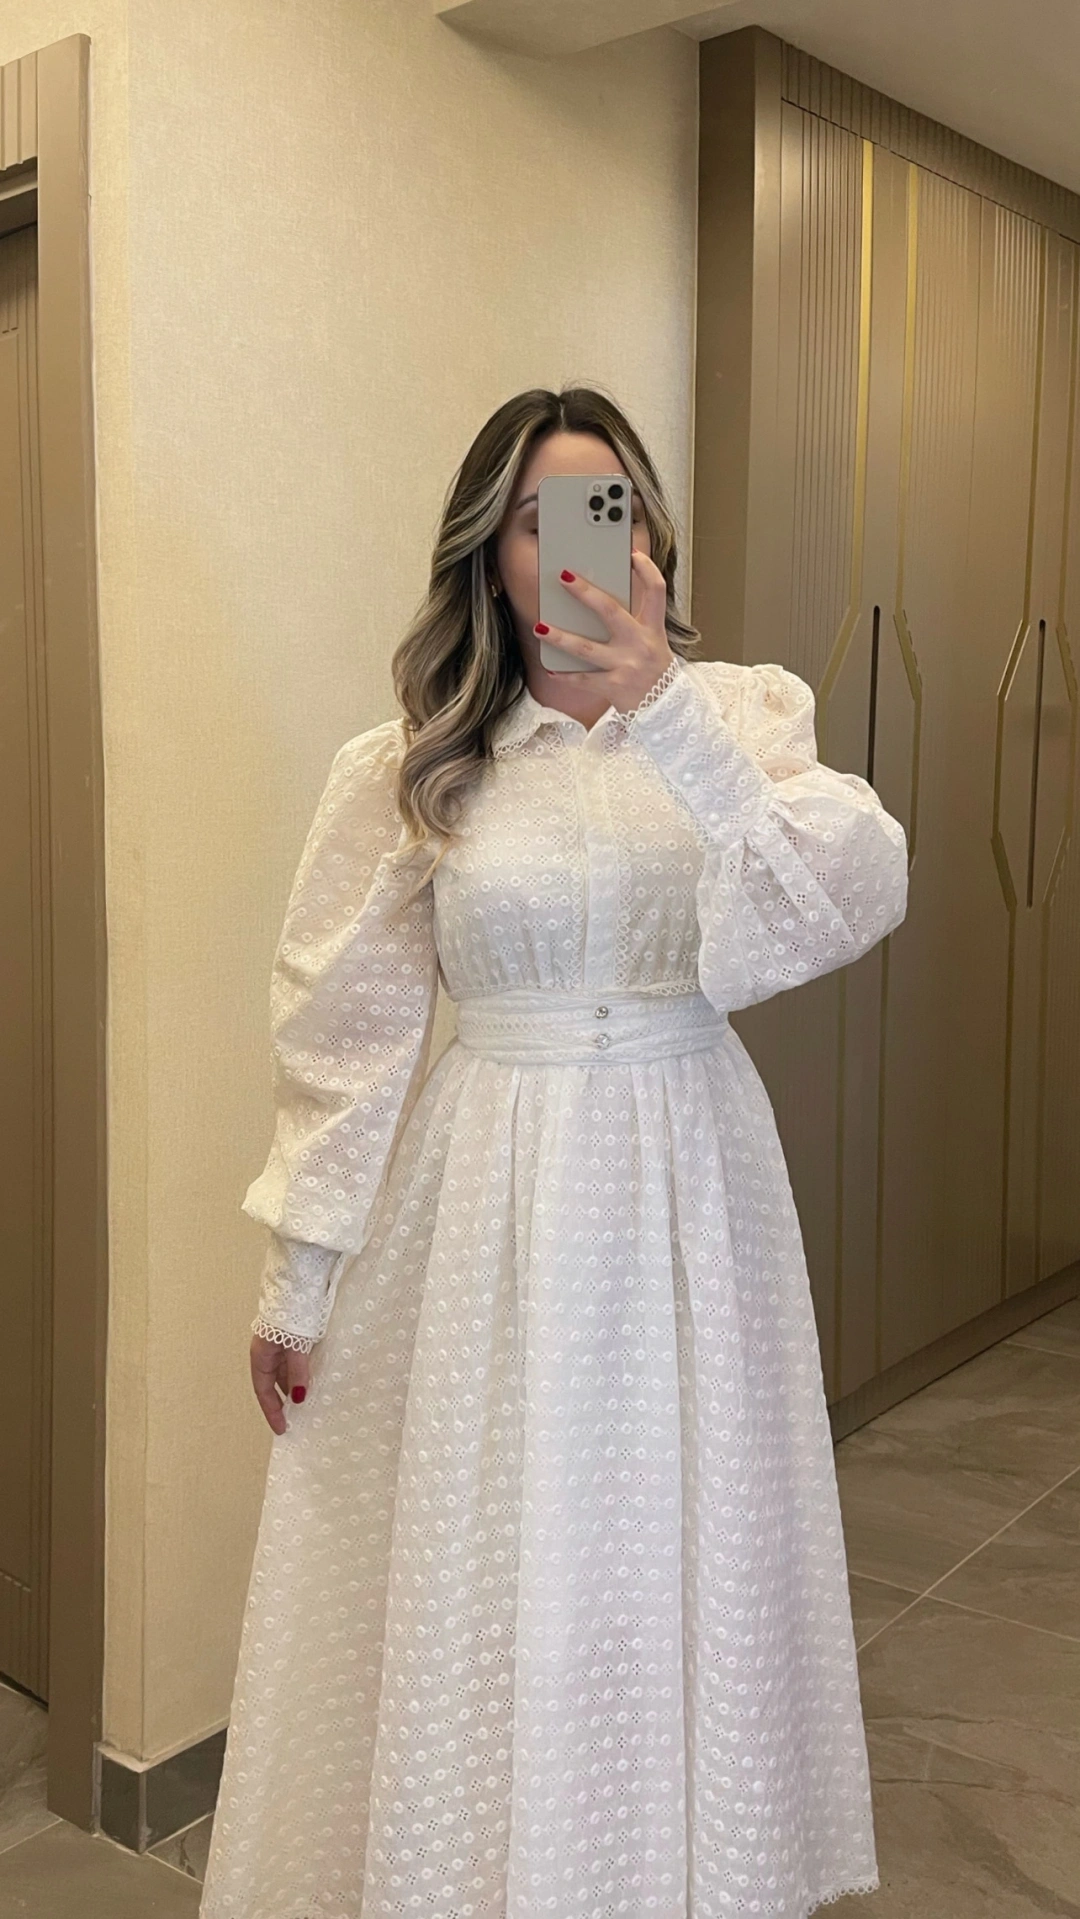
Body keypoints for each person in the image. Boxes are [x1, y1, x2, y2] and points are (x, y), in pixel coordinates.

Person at [199, 385, 908, 1919]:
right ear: (491, 552)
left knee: (674, 1549)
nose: (574, 545)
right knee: (491, 1559)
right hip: (491, 1198)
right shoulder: (417, 760)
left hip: (689, 1187)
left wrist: (666, 708)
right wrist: (297, 1277)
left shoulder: (742, 719)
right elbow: (350, 1031)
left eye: (604, 510)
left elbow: (846, 894)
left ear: (649, 538)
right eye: (536, 518)